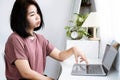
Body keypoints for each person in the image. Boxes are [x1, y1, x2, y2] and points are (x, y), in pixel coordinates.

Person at [4, 0, 88, 80]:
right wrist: (47, 79)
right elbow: (26, 73)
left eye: (37, 12)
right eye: (32, 14)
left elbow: (59, 55)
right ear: (21, 18)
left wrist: (74, 49)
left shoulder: (40, 39)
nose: (38, 17)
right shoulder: (15, 39)